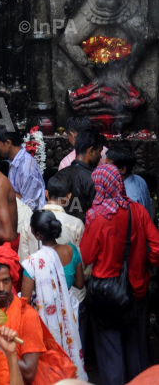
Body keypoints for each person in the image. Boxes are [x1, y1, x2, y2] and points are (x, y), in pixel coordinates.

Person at [80, 164, 159, 385]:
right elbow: (157, 247)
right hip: (137, 289)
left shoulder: (96, 216)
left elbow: (85, 256)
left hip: (106, 293)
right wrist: (148, 267)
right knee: (135, 346)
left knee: (109, 348)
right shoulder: (138, 211)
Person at [0, 244, 77, 383]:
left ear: (12, 280)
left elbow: (29, 372)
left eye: (5, 281)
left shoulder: (27, 315)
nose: (1, 288)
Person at [18, 173, 88, 352]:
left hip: (41, 305)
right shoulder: (76, 226)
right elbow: (80, 277)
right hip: (72, 304)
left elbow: (23, 260)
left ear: (46, 194)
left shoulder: (28, 224)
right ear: (69, 197)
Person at [21, 212, 87, 381]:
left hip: (45, 321)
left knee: (51, 364)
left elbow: (25, 302)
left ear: (37, 234)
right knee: (69, 354)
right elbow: (80, 284)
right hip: (69, 314)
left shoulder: (32, 262)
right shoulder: (71, 251)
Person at [0, 125, 46, 210]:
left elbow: (29, 206)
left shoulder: (26, 167)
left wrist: (7, 191)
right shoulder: (13, 161)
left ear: (8, 143)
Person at [59, 129, 104, 221]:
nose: (100, 156)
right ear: (91, 151)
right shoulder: (93, 180)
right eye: (99, 151)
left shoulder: (59, 175)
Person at [105, 145, 153, 220]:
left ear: (122, 170)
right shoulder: (139, 179)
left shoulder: (130, 196)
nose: (104, 169)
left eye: (109, 166)